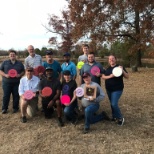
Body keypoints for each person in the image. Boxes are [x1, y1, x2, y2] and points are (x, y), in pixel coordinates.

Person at [101, 55, 129, 126]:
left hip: (117, 89)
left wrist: (122, 70)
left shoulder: (119, 67)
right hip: (109, 89)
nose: (111, 60)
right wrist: (111, 76)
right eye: (110, 59)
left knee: (114, 104)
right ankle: (114, 117)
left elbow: (127, 76)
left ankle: (120, 118)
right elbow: (103, 77)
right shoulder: (107, 68)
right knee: (112, 104)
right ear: (108, 60)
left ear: (115, 59)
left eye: (113, 58)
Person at [0, 49, 25, 114]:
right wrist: (5, 75)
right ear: (9, 55)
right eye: (11, 55)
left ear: (15, 55)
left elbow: (23, 71)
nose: (12, 56)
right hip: (6, 83)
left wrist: (20, 74)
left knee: (16, 95)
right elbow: (0, 70)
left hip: (16, 83)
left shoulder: (19, 63)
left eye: (13, 55)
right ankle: (4, 108)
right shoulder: (5, 62)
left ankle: (15, 108)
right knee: (6, 96)